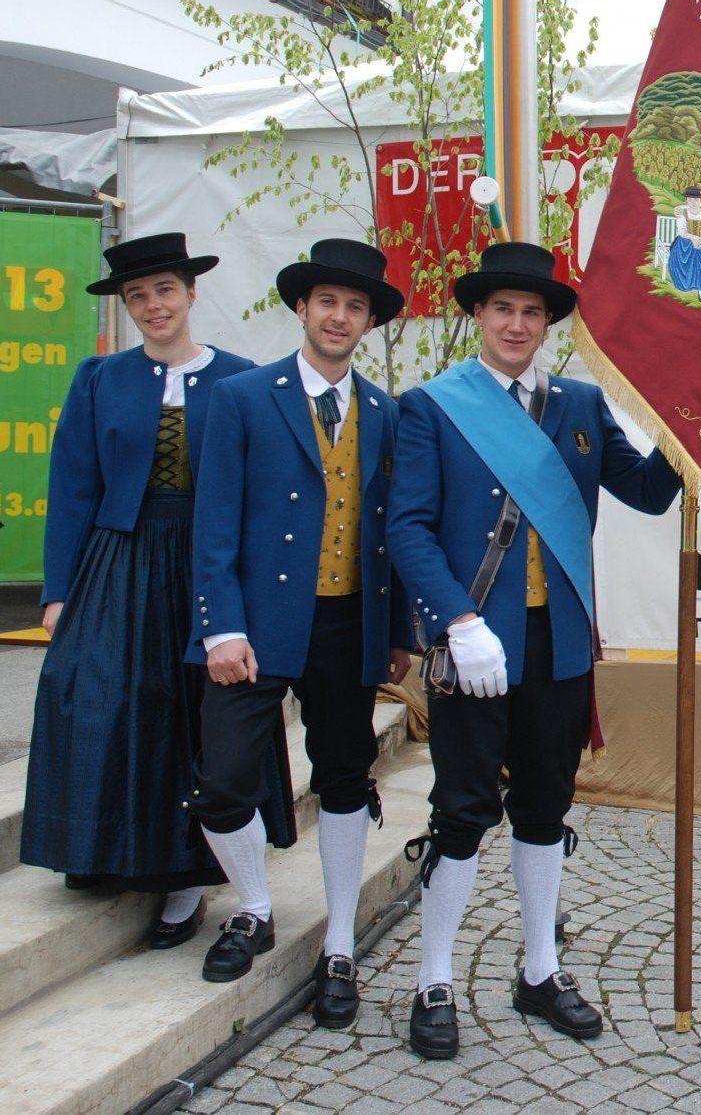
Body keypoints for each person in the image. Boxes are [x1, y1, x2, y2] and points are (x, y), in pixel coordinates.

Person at [388, 242, 682, 1060]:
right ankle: (435, 977)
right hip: (477, 646)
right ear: (478, 317)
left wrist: (690, 420)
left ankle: (540, 969)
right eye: (502, 310)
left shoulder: (581, 405)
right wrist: (453, 619)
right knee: (462, 810)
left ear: (548, 323)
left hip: (557, 648)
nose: (517, 325)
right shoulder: (433, 408)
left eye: (533, 312)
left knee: (547, 806)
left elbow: (653, 493)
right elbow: (406, 527)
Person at [22, 233, 290, 947]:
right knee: (98, 697)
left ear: (191, 293)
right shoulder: (98, 379)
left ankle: (184, 881)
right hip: (119, 558)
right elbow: (74, 485)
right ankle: (105, 850)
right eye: (138, 296)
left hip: (204, 564)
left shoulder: (241, 379)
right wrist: (59, 590)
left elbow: (264, 498)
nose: (152, 306)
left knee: (187, 715)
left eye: (164, 290)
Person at [187, 237, 410, 1030]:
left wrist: (400, 632)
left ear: (368, 322)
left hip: (350, 623)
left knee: (345, 777)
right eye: (327, 303)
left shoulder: (387, 411)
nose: (340, 317)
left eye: (356, 307)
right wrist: (221, 629)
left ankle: (341, 943)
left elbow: (397, 528)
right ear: (302, 309)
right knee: (221, 782)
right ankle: (253, 906)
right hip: (254, 623)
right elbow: (212, 524)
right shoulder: (244, 397)